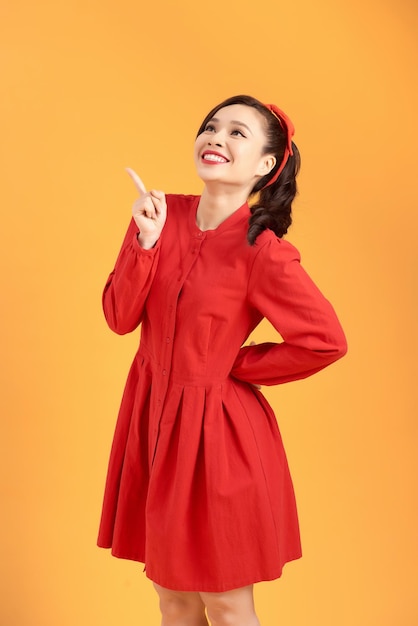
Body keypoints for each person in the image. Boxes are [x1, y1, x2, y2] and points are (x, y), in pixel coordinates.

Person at [97, 94, 347, 626]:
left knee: (228, 604)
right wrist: (145, 241)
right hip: (151, 424)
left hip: (217, 438)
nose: (216, 137)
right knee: (173, 600)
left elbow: (325, 340)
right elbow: (120, 318)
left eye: (238, 133)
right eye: (211, 127)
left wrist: (234, 367)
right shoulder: (160, 214)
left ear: (265, 165)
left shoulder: (263, 248)